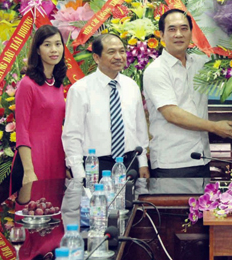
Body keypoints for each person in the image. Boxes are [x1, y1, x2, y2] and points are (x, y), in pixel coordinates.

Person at [143, 9, 232, 178]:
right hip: (172, 162)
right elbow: (172, 114)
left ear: (191, 33)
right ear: (162, 35)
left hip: (201, 158)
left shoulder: (201, 63)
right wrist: (214, 127)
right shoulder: (156, 70)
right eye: (172, 29)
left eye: (184, 28)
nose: (178, 34)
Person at [62, 34, 150, 178]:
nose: (118, 57)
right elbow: (72, 135)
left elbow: (140, 128)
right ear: (96, 58)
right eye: (111, 52)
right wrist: (78, 172)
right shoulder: (80, 90)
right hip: (95, 166)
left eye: (122, 51)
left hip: (130, 163)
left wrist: (142, 162)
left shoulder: (131, 86)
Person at [14, 25, 67, 191]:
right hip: (33, 160)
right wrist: (28, 170)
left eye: (58, 44)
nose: (54, 50)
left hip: (56, 158)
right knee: (34, 205)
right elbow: (21, 129)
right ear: (37, 50)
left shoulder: (58, 84)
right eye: (47, 45)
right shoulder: (27, 84)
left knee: (56, 205)